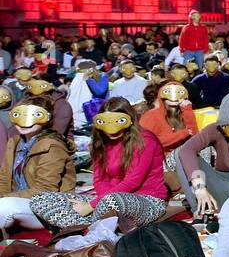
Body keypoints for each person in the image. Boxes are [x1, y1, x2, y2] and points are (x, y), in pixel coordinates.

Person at [29, 97, 169, 230]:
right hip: (103, 202)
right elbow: (99, 179)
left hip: (147, 200)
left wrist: (90, 206)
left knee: (113, 201)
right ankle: (86, 227)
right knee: (39, 199)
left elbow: (133, 182)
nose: (112, 130)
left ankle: (80, 226)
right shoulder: (100, 141)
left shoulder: (145, 140)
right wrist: (97, 204)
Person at [0, 95, 76, 232]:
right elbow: (4, 177)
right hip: (20, 201)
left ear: (47, 119)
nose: (24, 122)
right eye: (18, 115)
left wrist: (3, 198)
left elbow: (44, 190)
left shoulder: (51, 146)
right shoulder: (15, 142)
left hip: (49, 208)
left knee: (5, 207)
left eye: (34, 116)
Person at [140, 80, 200, 193]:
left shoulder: (184, 113)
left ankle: (202, 183)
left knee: (205, 148)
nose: (173, 106)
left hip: (184, 156)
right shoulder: (151, 116)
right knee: (184, 150)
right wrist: (184, 133)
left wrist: (187, 110)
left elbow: (195, 137)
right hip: (161, 160)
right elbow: (150, 143)